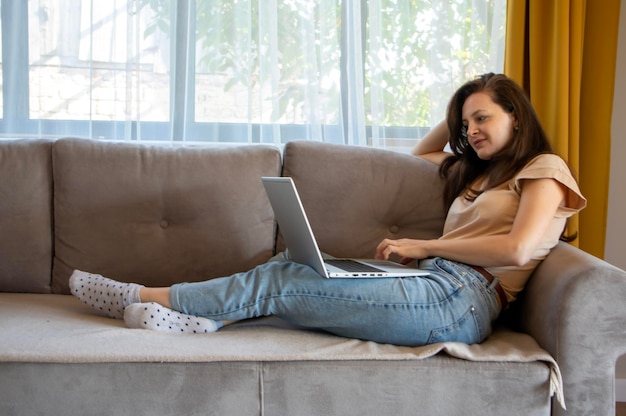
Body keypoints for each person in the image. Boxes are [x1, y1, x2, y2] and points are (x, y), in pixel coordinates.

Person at [69, 73, 586, 347]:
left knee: (283, 283)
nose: (471, 131)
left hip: (462, 302)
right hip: (436, 282)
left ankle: (138, 295)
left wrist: (426, 245)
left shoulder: (545, 168)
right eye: (466, 123)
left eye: (484, 118)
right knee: (285, 266)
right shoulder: (479, 172)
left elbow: (517, 248)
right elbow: (419, 158)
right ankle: (206, 322)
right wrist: (461, 107)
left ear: (517, 116)